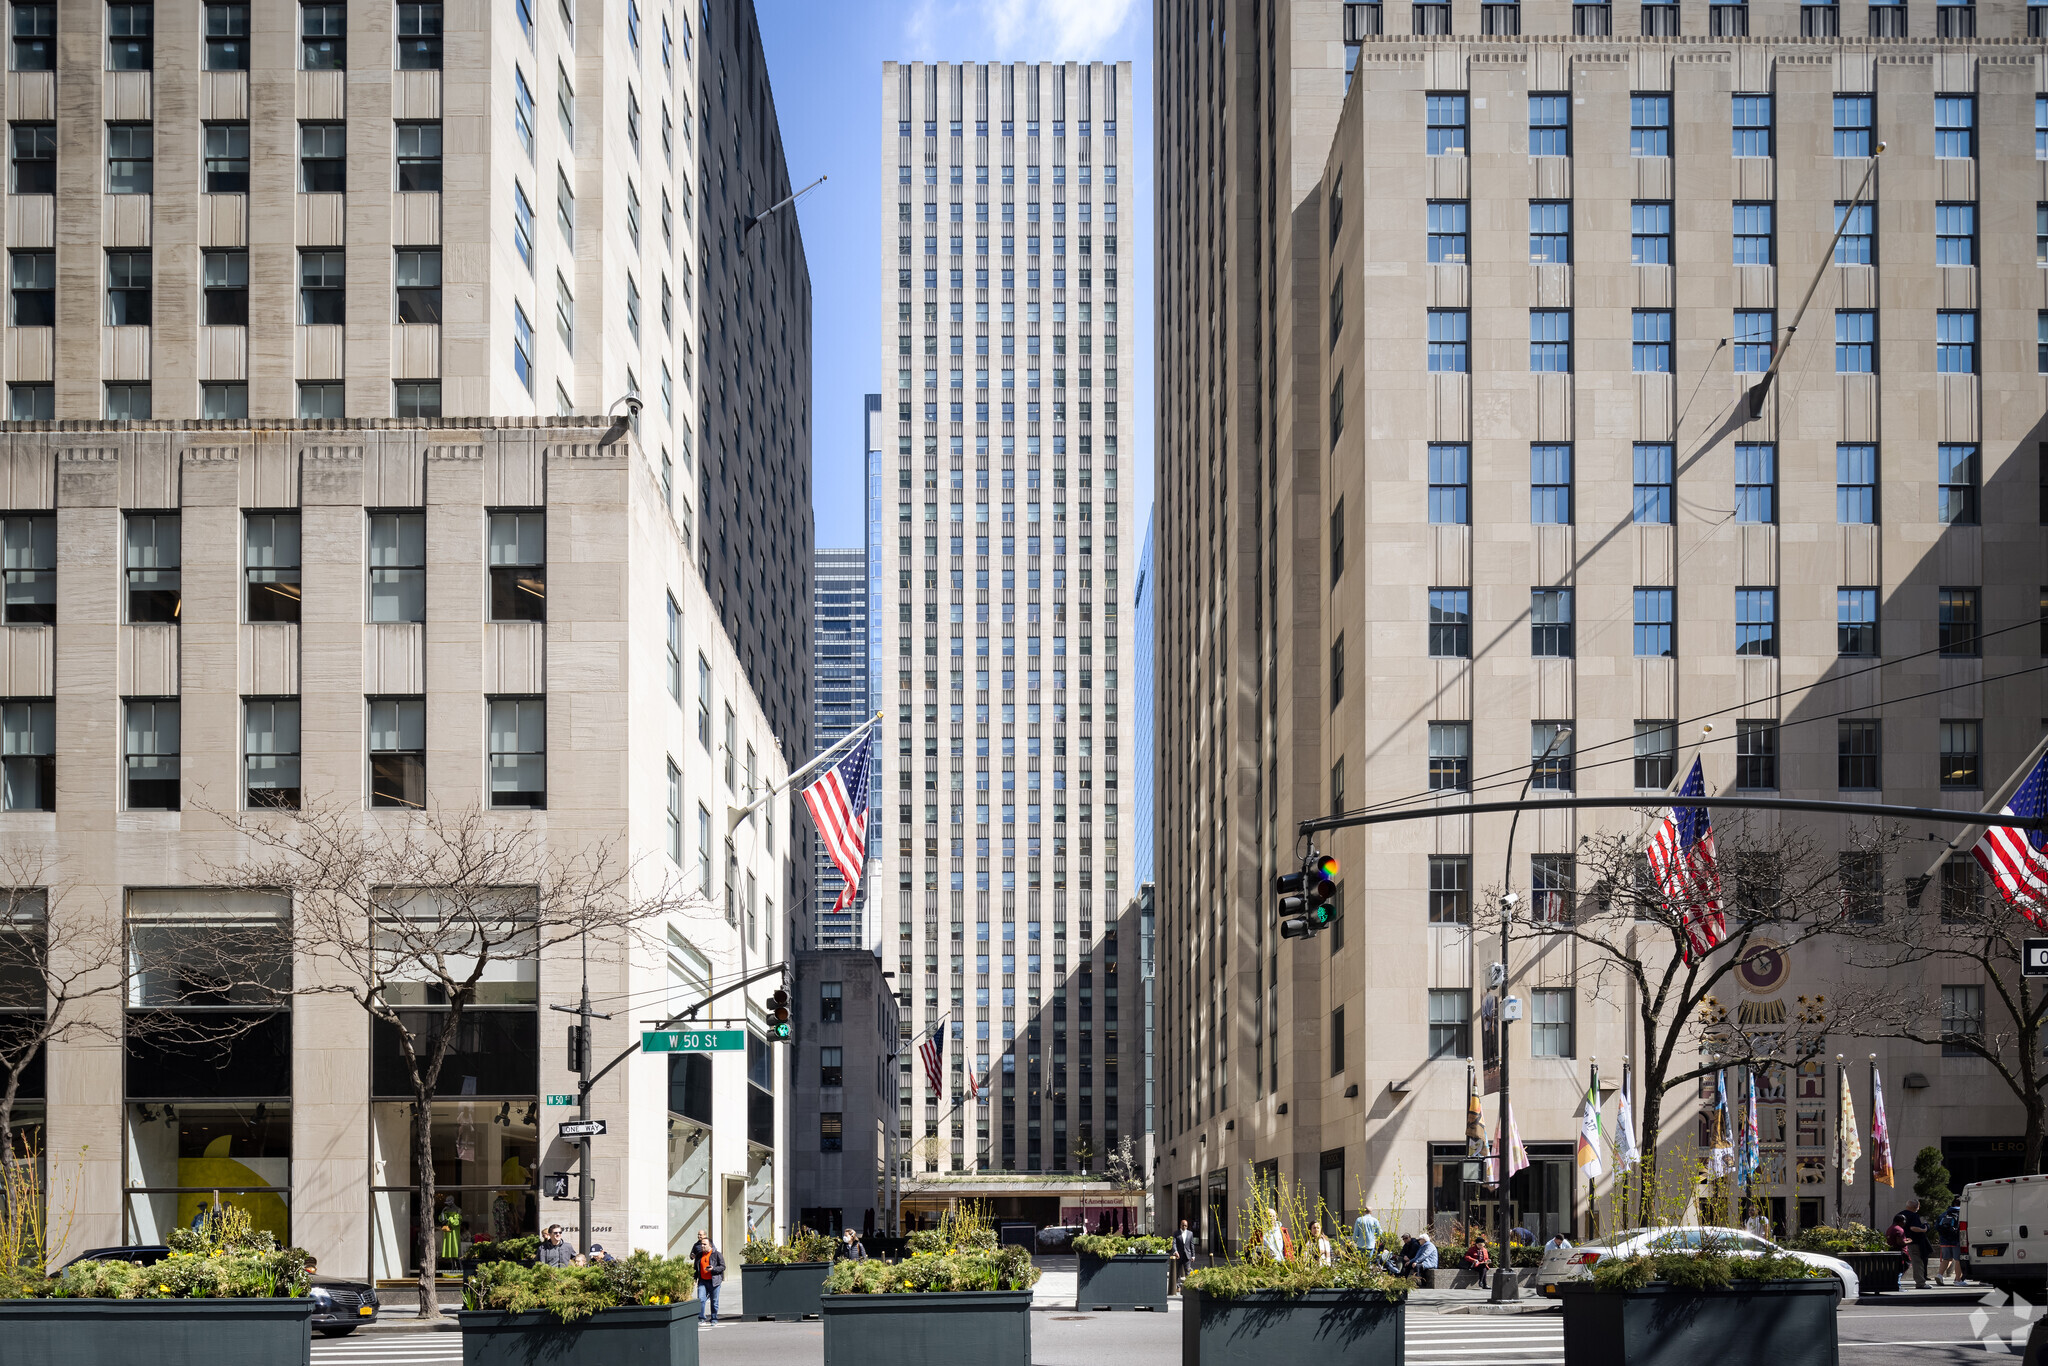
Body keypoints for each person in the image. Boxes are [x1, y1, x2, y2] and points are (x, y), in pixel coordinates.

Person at [690, 1230, 725, 1327]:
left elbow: (722, 1267)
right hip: (702, 1281)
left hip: (714, 1281)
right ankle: (701, 1318)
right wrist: (694, 1279)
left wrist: (713, 1269)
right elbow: (696, 1268)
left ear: (710, 1245)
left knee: (714, 1301)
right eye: (701, 1244)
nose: (702, 1246)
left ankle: (714, 1318)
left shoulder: (717, 1254)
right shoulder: (699, 1255)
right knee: (701, 1299)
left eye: (704, 1244)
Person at [1897, 1199, 1934, 1289]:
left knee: (1903, 1264)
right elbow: (1913, 1228)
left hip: (1902, 1242)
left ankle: (1896, 1281)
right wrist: (1923, 1229)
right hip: (1914, 1242)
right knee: (1918, 1263)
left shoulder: (1899, 1215)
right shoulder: (1914, 1215)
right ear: (1916, 1207)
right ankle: (1920, 1283)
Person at [1937, 1203, 1964, 1285]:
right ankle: (1958, 1280)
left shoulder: (1944, 1214)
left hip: (1944, 1241)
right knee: (1958, 1260)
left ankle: (1939, 1275)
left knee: (1946, 1259)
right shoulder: (1962, 1213)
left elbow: (1937, 1227)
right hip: (1956, 1240)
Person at [1171, 1219, 1198, 1291]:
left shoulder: (1190, 1233)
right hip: (1179, 1255)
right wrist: (1175, 1251)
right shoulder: (1176, 1233)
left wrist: (1193, 1255)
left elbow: (1192, 1245)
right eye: (1183, 1225)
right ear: (1180, 1225)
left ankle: (1188, 1286)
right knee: (1178, 1272)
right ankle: (1178, 1286)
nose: (1184, 1227)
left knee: (1188, 1272)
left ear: (1187, 1226)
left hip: (1187, 1255)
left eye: (1186, 1225)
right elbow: (1174, 1243)